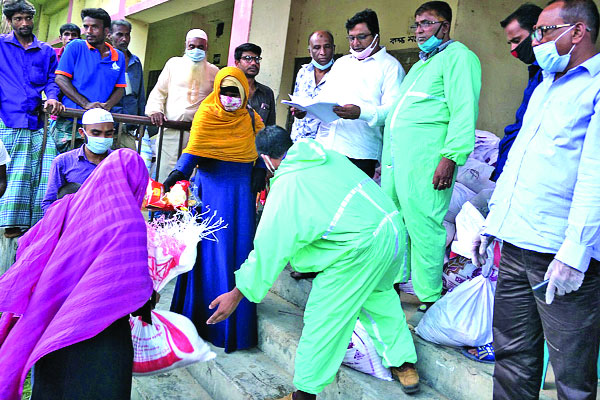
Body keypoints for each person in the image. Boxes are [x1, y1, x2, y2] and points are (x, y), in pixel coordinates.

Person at [206, 128, 420, 399]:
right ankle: (405, 365)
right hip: (391, 229)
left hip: (358, 248)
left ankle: (304, 395)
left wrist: (237, 294)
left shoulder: (288, 186)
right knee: (380, 298)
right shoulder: (328, 155)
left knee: (324, 319)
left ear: (266, 159)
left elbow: (269, 249)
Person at [472, 1, 600, 399]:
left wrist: (575, 251)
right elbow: (520, 159)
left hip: (559, 255)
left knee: (571, 375)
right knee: (512, 359)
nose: (537, 42)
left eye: (543, 32)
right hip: (514, 244)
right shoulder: (545, 83)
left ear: (577, 32)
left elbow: (596, 174)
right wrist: (493, 223)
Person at [0, 149, 154, 400]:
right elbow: (131, 282)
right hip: (103, 331)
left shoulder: (68, 206)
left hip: (55, 319)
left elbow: (30, 245)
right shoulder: (128, 222)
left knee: (54, 387)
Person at [381, 1, 481, 308]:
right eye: (416, 25)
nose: (419, 31)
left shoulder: (459, 58)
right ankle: (393, 283)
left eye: (426, 24)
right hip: (398, 162)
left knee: (425, 226)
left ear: (445, 26)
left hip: (427, 163)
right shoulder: (422, 65)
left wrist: (450, 158)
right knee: (395, 222)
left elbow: (464, 111)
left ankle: (428, 294)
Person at [166, 67, 265, 353]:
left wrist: (259, 169)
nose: (230, 97)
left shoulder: (250, 117)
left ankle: (233, 324)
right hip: (211, 188)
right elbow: (195, 147)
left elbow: (259, 146)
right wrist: (178, 172)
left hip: (241, 190)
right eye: (225, 91)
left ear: (245, 93)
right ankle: (199, 317)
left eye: (236, 92)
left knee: (237, 248)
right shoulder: (207, 112)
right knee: (210, 248)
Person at [314, 9, 405, 178]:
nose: (355, 43)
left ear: (376, 36)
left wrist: (360, 113)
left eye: (361, 37)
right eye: (351, 37)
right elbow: (324, 98)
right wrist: (306, 110)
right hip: (327, 147)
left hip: (360, 152)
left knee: (351, 203)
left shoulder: (390, 67)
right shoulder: (341, 63)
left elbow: (394, 111)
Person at [0, 0, 64, 238]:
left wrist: (53, 97)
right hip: (7, 119)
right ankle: (11, 225)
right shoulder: (0, 46)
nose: (24, 23)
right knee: (11, 173)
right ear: (10, 21)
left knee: (42, 171)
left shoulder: (46, 50)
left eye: (27, 18)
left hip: (38, 121)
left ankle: (39, 225)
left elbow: (51, 80)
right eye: (18, 19)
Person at [145, 29, 219, 181]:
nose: (196, 50)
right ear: (185, 46)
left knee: (189, 177)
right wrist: (155, 111)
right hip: (170, 131)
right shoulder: (173, 64)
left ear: (207, 48)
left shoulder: (214, 71)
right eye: (192, 46)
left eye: (201, 47)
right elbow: (160, 91)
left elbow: (216, 102)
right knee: (164, 173)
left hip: (197, 135)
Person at [53, 8, 126, 154]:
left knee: (95, 171)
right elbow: (60, 78)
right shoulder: (75, 47)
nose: (89, 31)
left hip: (99, 126)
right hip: (70, 123)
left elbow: (120, 88)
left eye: (95, 27)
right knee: (65, 168)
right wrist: (86, 104)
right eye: (86, 26)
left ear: (106, 31)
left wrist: (106, 106)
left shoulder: (118, 56)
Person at [491, 3, 544, 181]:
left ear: (538, 32)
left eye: (516, 41)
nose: (513, 50)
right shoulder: (536, 74)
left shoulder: (553, 76)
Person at [42, 108, 114, 211]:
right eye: (96, 133)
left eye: (108, 134)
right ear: (82, 133)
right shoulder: (63, 162)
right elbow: (49, 203)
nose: (102, 138)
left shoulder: (119, 161)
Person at [289, 30, 335, 142]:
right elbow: (296, 103)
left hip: (325, 144)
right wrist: (297, 111)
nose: (322, 52)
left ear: (333, 48)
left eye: (327, 47)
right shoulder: (303, 72)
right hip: (298, 141)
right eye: (317, 47)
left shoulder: (340, 74)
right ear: (310, 51)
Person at [109, 19, 146, 150]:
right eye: (119, 34)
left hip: (129, 129)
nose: (124, 39)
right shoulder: (104, 60)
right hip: (107, 129)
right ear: (109, 35)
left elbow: (140, 95)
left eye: (127, 34)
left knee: (128, 167)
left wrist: (142, 124)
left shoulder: (135, 62)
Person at [234, 43, 276, 126]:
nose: (253, 63)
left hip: (259, 138)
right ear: (237, 63)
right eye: (248, 58)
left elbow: (270, 126)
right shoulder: (228, 89)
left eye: (257, 59)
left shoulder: (267, 92)